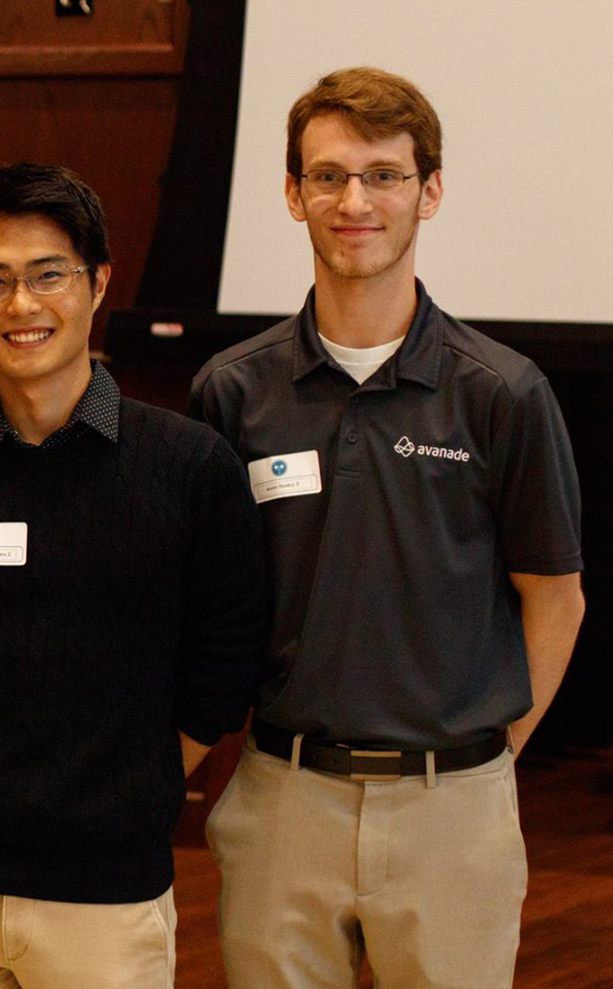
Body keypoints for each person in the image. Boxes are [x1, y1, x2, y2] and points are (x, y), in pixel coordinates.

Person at [192, 66, 585, 989]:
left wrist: (484, 764)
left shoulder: (504, 393)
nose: (354, 200)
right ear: (293, 195)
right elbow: (206, 603)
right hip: (283, 796)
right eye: (327, 176)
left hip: (455, 808)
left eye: (384, 175)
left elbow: (554, 598)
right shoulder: (233, 391)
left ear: (430, 191)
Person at [0, 163, 270, 987]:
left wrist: (136, 778)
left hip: (107, 897)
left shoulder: (189, 467)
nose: (22, 305)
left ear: (99, 283)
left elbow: (226, 660)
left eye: (49, 275)